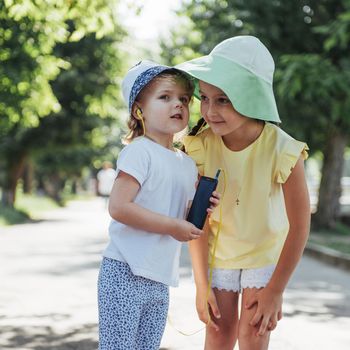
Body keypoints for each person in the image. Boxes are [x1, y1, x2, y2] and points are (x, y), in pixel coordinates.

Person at [176, 36, 311, 350]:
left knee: (254, 334)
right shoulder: (199, 145)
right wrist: (200, 284)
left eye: (223, 99)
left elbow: (300, 226)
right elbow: (199, 222)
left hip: (264, 258)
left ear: (252, 97)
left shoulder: (284, 150)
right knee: (218, 333)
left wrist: (276, 290)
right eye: (205, 97)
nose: (209, 110)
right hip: (218, 256)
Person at [97, 60, 219, 350]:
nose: (177, 104)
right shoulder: (139, 152)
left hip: (160, 276)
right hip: (124, 270)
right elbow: (119, 207)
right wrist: (173, 225)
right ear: (139, 109)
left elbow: (182, 217)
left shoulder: (187, 164)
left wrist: (203, 208)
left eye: (184, 99)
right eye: (165, 97)